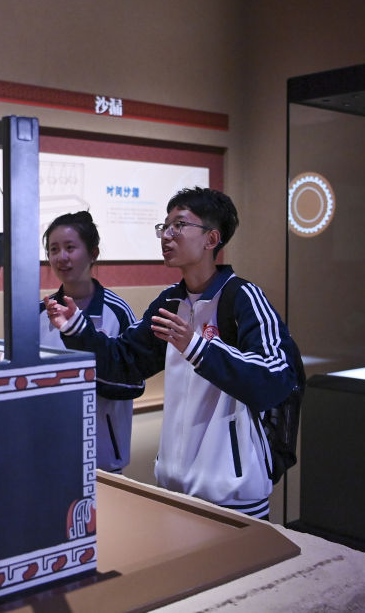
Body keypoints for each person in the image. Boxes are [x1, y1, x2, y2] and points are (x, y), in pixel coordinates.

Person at [46, 187, 298, 519]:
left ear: (211, 239)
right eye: (164, 227)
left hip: (233, 492)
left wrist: (199, 348)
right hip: (174, 485)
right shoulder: (169, 301)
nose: (166, 235)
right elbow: (125, 361)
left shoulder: (243, 297)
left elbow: (275, 378)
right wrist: (78, 329)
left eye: (179, 225)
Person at [39, 211, 144, 473]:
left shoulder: (118, 312)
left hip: (102, 457)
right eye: (54, 249)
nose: (61, 257)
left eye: (70, 247)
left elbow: (133, 380)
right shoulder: (39, 313)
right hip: (49, 452)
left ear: (93, 253)